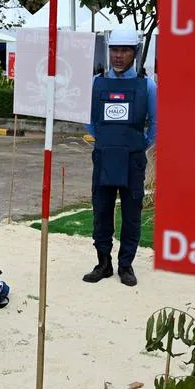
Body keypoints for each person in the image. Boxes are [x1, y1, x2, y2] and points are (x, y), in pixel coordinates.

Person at [83, 27, 157, 287]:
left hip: (133, 161)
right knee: (101, 211)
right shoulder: (96, 83)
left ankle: (126, 265)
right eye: (115, 49)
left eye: (125, 50)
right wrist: (105, 140)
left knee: (131, 214)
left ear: (134, 53)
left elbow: (156, 123)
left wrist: (139, 144)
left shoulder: (148, 86)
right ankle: (103, 263)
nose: (118, 55)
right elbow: (88, 119)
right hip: (104, 157)